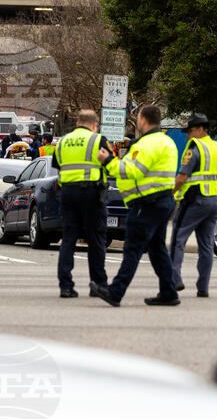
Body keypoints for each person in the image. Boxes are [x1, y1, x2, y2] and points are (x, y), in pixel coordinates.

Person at [91, 104, 179, 307]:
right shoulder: (168, 142)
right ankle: (169, 292)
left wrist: (108, 160)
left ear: (143, 120)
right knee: (157, 249)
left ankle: (115, 291)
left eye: (138, 117)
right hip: (163, 201)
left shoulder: (146, 144)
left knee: (133, 248)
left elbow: (131, 170)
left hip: (146, 204)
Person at [169, 114, 217, 298]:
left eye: (190, 130)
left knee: (177, 239)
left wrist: (168, 194)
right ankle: (203, 287)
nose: (188, 135)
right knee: (206, 246)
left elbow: (181, 177)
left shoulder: (195, 148)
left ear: (200, 129)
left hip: (196, 200)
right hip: (214, 202)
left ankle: (174, 279)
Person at [52, 110, 112, 298]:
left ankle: (66, 286)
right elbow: (109, 164)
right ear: (95, 125)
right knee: (96, 239)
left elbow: (58, 166)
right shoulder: (98, 140)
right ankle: (98, 284)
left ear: (78, 122)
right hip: (91, 193)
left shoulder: (62, 142)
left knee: (69, 238)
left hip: (68, 193)